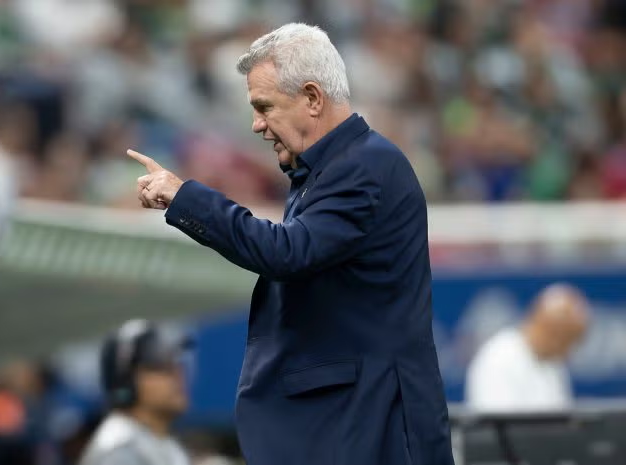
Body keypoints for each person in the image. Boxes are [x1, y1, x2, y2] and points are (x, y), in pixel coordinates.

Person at [126, 23, 454, 465]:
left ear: (313, 98)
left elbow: (286, 252)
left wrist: (185, 197)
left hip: (372, 427)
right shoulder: (329, 170)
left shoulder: (364, 167)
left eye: (264, 107)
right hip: (351, 424)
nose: (257, 124)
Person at [78, 319, 193, 465]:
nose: (177, 374)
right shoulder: (118, 452)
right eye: (160, 365)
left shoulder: (165, 445)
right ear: (125, 382)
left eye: (175, 364)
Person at [465, 284, 590, 412]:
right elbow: (498, 421)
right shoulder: (498, 359)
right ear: (549, 330)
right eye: (566, 340)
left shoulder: (554, 364)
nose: (569, 352)